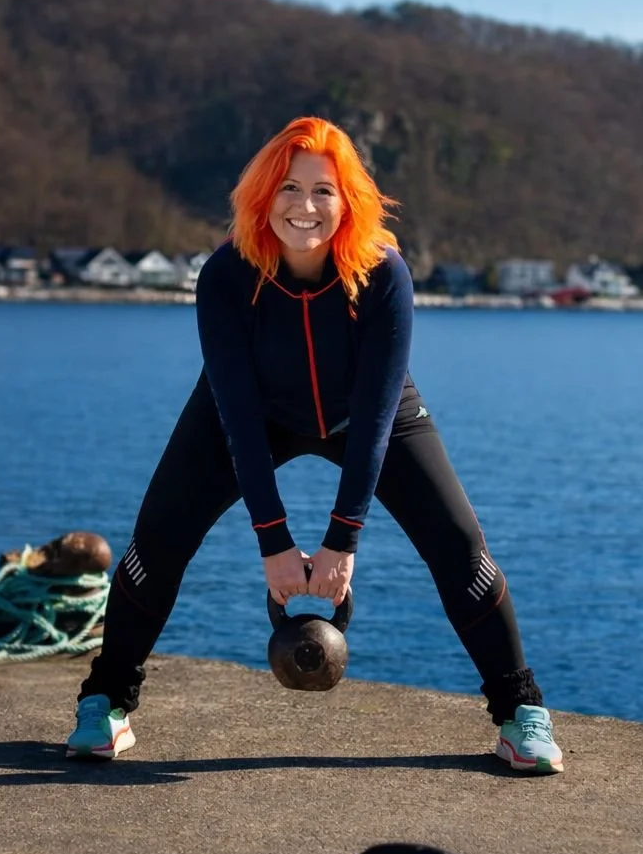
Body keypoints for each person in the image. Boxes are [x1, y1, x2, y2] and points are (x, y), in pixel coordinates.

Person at [66, 116, 564, 773]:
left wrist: (341, 541)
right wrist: (274, 540)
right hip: (250, 414)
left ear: (348, 198)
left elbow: (378, 416)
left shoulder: (383, 275)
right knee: (155, 540)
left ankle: (519, 712)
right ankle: (106, 702)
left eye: (323, 190)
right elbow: (238, 414)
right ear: (263, 195)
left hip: (366, 419)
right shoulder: (227, 275)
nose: (305, 207)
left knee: (460, 545)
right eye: (289, 188)